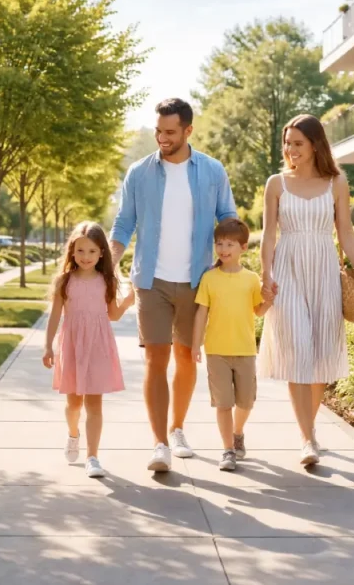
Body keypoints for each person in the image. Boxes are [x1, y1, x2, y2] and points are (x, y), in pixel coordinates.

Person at [110, 97, 239, 472]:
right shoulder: (139, 172)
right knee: (155, 358)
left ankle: (178, 427)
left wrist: (231, 262)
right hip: (151, 280)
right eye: (158, 131)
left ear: (187, 131)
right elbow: (123, 224)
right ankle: (159, 443)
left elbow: (227, 217)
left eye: (170, 132)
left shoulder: (212, 171)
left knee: (186, 358)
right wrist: (109, 263)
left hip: (197, 280)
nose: (162, 138)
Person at [258, 114, 354, 467]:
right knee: (297, 349)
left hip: (324, 270)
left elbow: (346, 232)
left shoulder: (336, 182)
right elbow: (268, 234)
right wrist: (266, 273)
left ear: (315, 145)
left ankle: (310, 431)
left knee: (321, 354)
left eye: (297, 143)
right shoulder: (276, 183)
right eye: (287, 143)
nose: (290, 149)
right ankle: (307, 438)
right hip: (288, 270)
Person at [43, 222, 135, 478]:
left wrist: (127, 302)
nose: (86, 257)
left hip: (98, 346)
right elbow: (54, 316)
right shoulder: (65, 281)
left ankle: (92, 456)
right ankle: (73, 434)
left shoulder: (106, 281)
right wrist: (48, 346)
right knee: (74, 404)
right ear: (72, 251)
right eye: (81, 251)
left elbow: (113, 315)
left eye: (92, 251)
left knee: (95, 404)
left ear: (102, 253)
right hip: (72, 345)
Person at [191, 218, 272, 471]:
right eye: (219, 243)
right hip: (216, 351)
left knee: (246, 402)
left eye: (229, 244)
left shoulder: (250, 279)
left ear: (243, 248)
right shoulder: (209, 278)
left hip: (245, 350)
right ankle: (227, 450)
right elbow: (201, 314)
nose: (223, 249)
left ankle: (237, 433)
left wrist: (269, 300)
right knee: (223, 404)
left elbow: (258, 311)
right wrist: (196, 345)